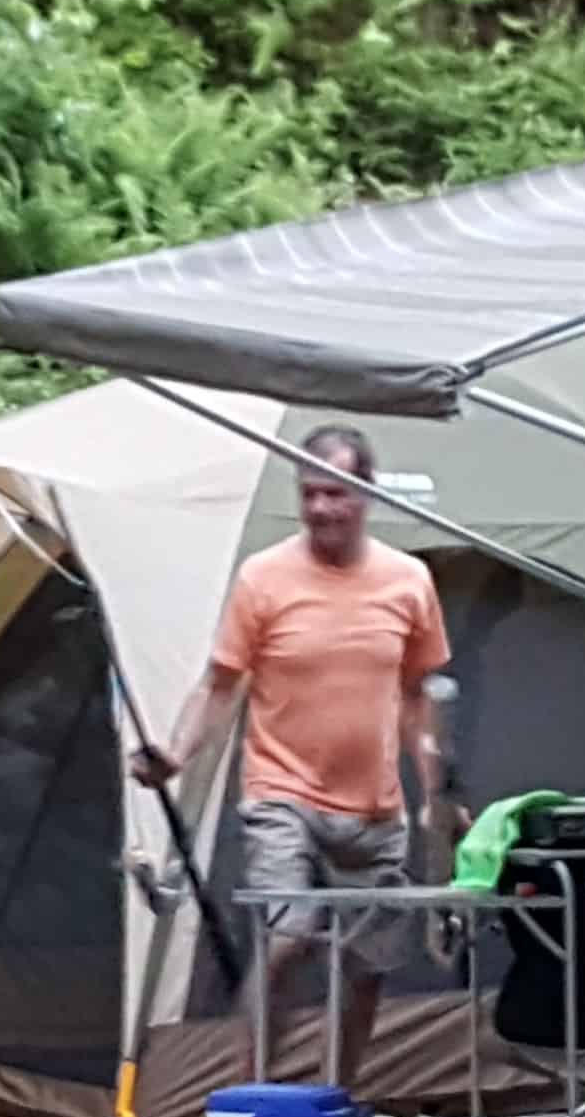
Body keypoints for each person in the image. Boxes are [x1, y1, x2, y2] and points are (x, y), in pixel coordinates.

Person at [134, 425, 453, 1075]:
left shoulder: (408, 581)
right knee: (288, 935)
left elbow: (419, 695)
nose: (320, 509)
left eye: (334, 493)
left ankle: (339, 1098)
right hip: (283, 793)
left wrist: (437, 795)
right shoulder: (265, 577)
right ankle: (258, 1094)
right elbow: (219, 687)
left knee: (366, 965)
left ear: (364, 493)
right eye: (309, 494)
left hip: (374, 810)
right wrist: (175, 755)